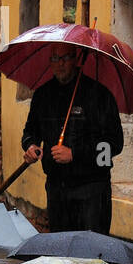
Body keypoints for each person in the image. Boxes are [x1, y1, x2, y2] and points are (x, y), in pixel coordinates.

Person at [22, 46, 123, 233]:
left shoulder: (100, 96)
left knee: (91, 255)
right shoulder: (43, 96)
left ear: (76, 60)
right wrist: (30, 145)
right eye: (54, 58)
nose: (60, 64)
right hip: (57, 190)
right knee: (62, 256)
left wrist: (75, 154)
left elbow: (115, 144)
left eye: (65, 58)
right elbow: (30, 131)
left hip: (92, 191)